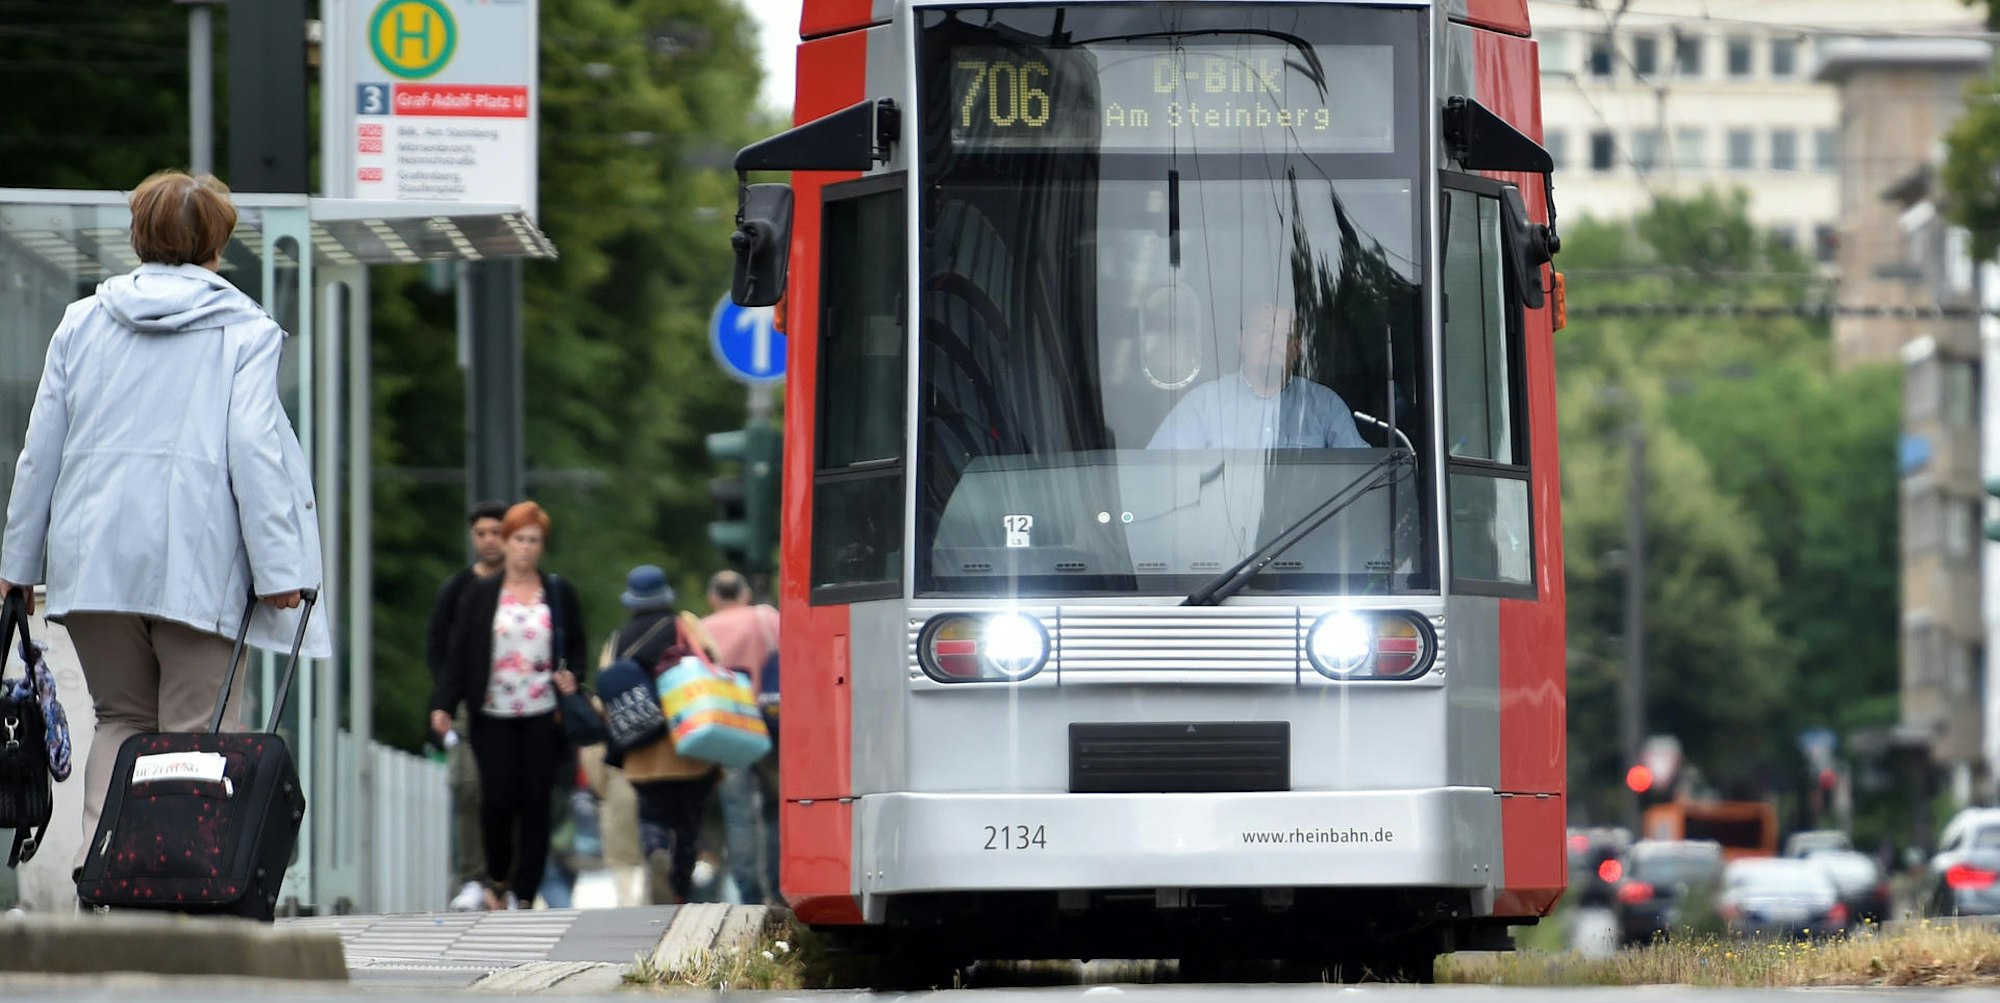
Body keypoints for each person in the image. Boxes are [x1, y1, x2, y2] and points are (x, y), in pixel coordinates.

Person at [0, 169, 329, 882]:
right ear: (217, 242)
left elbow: (41, 451)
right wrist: (279, 572)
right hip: (197, 566)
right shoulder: (242, 330)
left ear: (138, 236)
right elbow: (255, 451)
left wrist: (17, 563)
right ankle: (180, 880)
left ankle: (100, 876)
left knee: (117, 718)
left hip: (93, 563)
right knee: (192, 733)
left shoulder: (82, 322)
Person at [430, 501, 586, 910]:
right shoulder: (481, 594)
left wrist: (573, 677)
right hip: (492, 710)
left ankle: (523, 891)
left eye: (534, 540)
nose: (526, 548)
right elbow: (459, 653)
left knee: (535, 802)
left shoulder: (557, 592)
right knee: (496, 799)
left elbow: (577, 646)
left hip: (542, 711)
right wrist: (444, 703)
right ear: (506, 541)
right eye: (519, 539)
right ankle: (497, 877)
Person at [566, 565, 718, 904]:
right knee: (688, 823)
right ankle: (680, 890)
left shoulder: (617, 641)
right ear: (666, 596)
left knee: (652, 813)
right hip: (688, 743)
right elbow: (712, 663)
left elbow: (608, 695)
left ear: (631, 601)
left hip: (641, 752)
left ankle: (655, 847)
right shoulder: (684, 625)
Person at [429, 500, 509, 911]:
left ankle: (506, 879)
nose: (490, 541)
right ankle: (474, 877)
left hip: (517, 702)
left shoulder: (527, 588)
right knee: (468, 787)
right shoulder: (457, 590)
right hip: (468, 705)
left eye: (497, 532)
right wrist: (444, 701)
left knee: (512, 792)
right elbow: (441, 650)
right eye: (482, 533)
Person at [1147, 303, 1368, 450]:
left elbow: (1361, 478)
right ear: (1242, 340)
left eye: (1285, 334)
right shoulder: (1203, 404)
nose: (1274, 342)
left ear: (1298, 347)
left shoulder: (1326, 405)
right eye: (1264, 332)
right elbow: (1160, 474)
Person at [701, 570, 780, 905]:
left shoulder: (702, 629)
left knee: (739, 815)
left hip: (728, 729)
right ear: (745, 594)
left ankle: (750, 895)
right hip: (772, 724)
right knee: (777, 809)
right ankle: (779, 888)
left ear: (713, 598)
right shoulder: (767, 618)